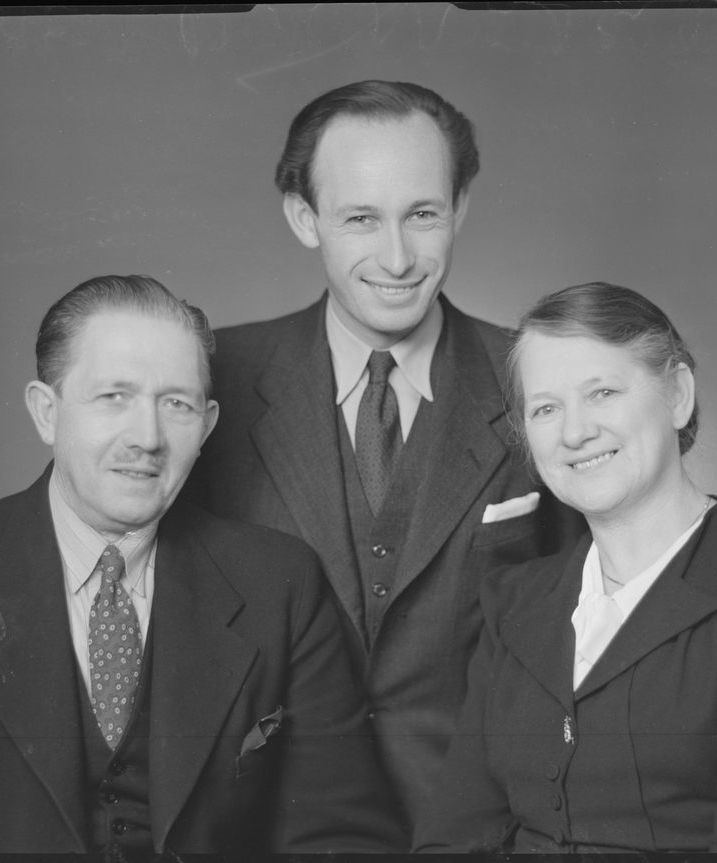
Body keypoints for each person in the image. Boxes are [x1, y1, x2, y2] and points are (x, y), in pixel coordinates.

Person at [0, 275, 405, 856]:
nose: (147, 437)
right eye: (113, 396)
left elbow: (344, 835)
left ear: (207, 426)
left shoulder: (281, 583)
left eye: (177, 404)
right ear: (47, 412)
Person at [182, 80, 585, 833]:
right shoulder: (210, 381)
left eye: (423, 214)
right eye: (361, 218)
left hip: (482, 830)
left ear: (461, 207)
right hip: (262, 828)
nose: (397, 258)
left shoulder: (540, 380)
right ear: (304, 218)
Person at [413, 282, 717, 853]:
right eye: (546, 408)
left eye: (602, 392)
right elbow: (451, 841)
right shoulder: (513, 601)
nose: (575, 432)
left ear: (678, 395)